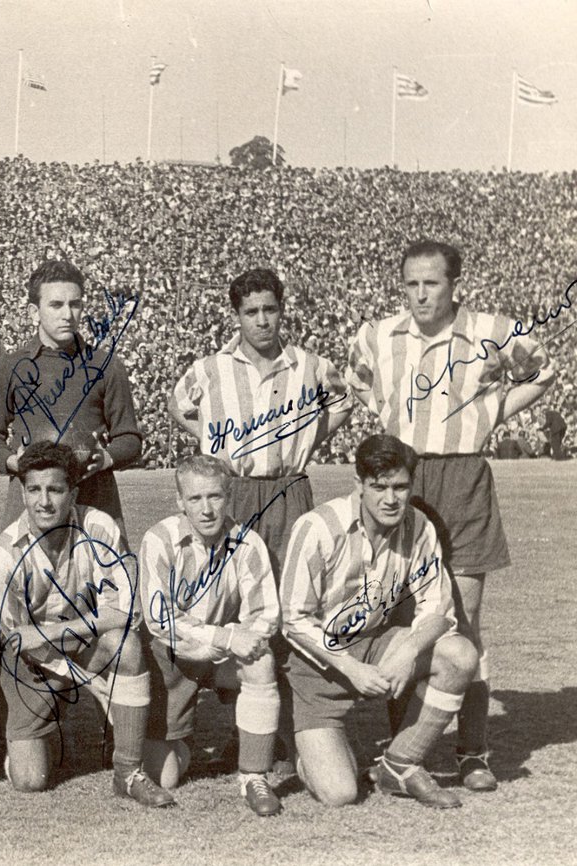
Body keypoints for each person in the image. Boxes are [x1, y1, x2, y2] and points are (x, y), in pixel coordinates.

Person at [346, 240, 555, 791]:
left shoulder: (493, 329)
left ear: (453, 284)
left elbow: (543, 372)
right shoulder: (377, 334)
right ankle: (404, 746)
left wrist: (490, 414)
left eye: (431, 283)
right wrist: (393, 422)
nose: (420, 294)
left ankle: (472, 751)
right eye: (411, 283)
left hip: (463, 478)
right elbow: (358, 384)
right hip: (404, 478)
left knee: (464, 618)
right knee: (400, 612)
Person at [281, 434, 478, 809]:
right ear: (358, 485)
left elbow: (438, 608)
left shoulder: (418, 526)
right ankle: (296, 739)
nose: (391, 499)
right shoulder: (318, 527)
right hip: (316, 662)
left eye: (401, 487)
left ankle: (400, 763)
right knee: (340, 793)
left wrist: (408, 651)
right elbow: (293, 620)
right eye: (380, 487)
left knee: (460, 655)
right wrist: (349, 667)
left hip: (374, 642)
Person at [0, 442, 172, 808]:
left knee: (126, 645)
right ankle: (42, 733)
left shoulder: (99, 527)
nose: (44, 502)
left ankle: (128, 772)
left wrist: (53, 630)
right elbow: (22, 643)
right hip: (34, 665)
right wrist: (92, 684)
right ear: (22, 493)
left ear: (74, 492)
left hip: (86, 642)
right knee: (30, 781)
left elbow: (124, 613)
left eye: (55, 490)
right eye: (34, 490)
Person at [168, 268, 351, 577]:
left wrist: (308, 440)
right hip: (234, 489)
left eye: (270, 309)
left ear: (282, 310)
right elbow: (177, 405)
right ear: (237, 316)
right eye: (251, 312)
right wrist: (211, 441)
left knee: (291, 582)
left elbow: (343, 403)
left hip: (288, 490)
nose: (262, 320)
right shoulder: (211, 368)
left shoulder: (310, 366)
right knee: (229, 581)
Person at [137, 456, 283, 816]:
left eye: (215, 497)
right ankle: (172, 737)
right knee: (166, 774)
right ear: (179, 501)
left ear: (229, 496)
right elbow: (160, 619)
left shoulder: (247, 543)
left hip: (220, 658)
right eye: (195, 499)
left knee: (261, 660)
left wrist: (231, 639)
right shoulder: (159, 539)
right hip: (172, 658)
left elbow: (265, 616)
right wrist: (224, 636)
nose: (206, 509)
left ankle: (254, 775)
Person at [0, 260, 143, 539]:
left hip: (94, 500)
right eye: (56, 305)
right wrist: (13, 462)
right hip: (30, 502)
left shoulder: (106, 365)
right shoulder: (10, 367)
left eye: (75, 304)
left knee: (104, 580)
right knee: (27, 580)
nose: (68, 314)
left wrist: (105, 458)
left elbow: (130, 439)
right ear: (34, 311)